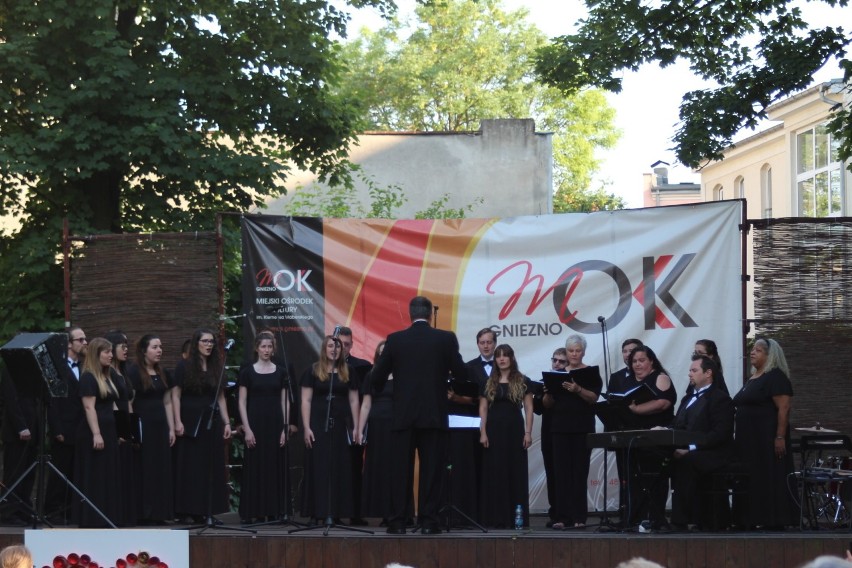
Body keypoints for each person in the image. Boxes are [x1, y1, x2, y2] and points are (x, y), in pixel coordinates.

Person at [369, 296, 469, 535]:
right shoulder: (445, 339)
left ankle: (397, 522)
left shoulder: (395, 340)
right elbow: (461, 373)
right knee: (432, 470)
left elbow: (376, 378)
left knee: (400, 470)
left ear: (410, 314)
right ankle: (429, 522)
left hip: (403, 415)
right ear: (428, 313)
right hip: (434, 414)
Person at [732, 337, 798, 529]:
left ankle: (772, 519)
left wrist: (779, 436)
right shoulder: (753, 378)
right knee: (751, 476)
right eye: (753, 349)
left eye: (759, 350)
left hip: (765, 438)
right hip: (748, 440)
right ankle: (750, 518)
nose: (753, 352)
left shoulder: (776, 377)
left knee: (767, 475)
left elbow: (784, 408)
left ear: (770, 356)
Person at [172, 329, 232, 523]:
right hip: (191, 420)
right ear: (196, 343)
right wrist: (177, 421)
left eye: (211, 342)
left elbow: (221, 397)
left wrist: (226, 422)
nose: (209, 345)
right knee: (191, 466)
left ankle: (208, 510)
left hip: (212, 419)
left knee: (211, 465)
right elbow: (176, 395)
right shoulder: (184, 366)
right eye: (205, 341)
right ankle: (188, 510)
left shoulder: (216, 366)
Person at [668, 355, 734, 529]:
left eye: (694, 370)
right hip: (689, 449)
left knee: (686, 462)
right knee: (654, 457)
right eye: (690, 370)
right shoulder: (687, 399)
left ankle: (680, 521)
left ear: (708, 373)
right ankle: (653, 517)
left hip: (713, 453)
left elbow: (720, 434)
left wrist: (691, 448)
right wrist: (664, 431)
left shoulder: (720, 399)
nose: (690, 374)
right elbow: (677, 424)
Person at [544, 335, 602, 529]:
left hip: (582, 428)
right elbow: (547, 404)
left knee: (579, 472)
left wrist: (577, 389)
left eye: (578, 350)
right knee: (561, 474)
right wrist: (548, 392)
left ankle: (578, 517)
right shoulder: (557, 374)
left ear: (583, 352)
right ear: (566, 353)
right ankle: (562, 517)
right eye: (571, 351)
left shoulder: (591, 373)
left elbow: (593, 398)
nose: (574, 354)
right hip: (559, 428)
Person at [300, 334, 360, 523]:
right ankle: (316, 512)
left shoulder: (348, 371)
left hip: (341, 424)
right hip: (318, 424)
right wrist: (306, 427)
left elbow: (354, 399)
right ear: (324, 349)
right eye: (330, 347)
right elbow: (305, 400)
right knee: (319, 467)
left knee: (339, 468)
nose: (334, 350)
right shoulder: (313, 371)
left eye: (338, 347)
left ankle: (336, 512)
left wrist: (357, 426)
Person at [478, 344, 534, 528]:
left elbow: (528, 408)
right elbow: (483, 408)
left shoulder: (522, 380)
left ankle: (515, 519)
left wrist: (528, 433)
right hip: (493, 432)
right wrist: (483, 432)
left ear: (511, 358)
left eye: (505, 355)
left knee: (514, 473)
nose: (502, 359)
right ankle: (495, 518)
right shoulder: (489, 382)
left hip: (515, 431)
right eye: (498, 356)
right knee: (495, 473)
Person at [357, 340, 413, 525]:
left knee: (397, 469)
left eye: (386, 353)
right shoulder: (371, 375)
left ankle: (399, 512)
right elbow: (365, 404)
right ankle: (383, 513)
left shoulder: (403, 375)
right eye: (380, 353)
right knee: (378, 469)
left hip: (397, 426)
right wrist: (359, 428)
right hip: (376, 427)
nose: (383, 356)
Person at [237, 332, 291, 523]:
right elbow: (242, 402)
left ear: (273, 348)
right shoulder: (247, 372)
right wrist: (247, 428)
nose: (266, 350)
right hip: (255, 422)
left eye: (269, 347)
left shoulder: (281, 371)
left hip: (275, 422)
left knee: (273, 466)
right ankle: (253, 511)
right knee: (255, 466)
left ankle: (274, 511)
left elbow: (285, 402)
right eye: (263, 347)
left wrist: (285, 428)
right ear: (257, 348)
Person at [625, 345, 677, 531]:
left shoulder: (660, 377)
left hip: (656, 438)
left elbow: (663, 402)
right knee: (636, 480)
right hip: (634, 439)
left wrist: (638, 409)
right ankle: (637, 519)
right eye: (634, 361)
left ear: (651, 361)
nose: (637, 364)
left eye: (641, 360)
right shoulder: (629, 381)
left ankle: (656, 518)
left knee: (656, 479)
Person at [127, 334, 175, 524]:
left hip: (161, 426)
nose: (159, 350)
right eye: (155, 347)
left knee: (161, 468)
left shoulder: (163, 373)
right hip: (143, 425)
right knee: (144, 467)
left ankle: (160, 513)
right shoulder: (134, 372)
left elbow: (168, 401)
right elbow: (129, 402)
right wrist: (132, 429)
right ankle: (143, 512)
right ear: (144, 351)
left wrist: (171, 428)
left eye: (160, 347)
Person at [74, 337, 122, 527]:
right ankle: (92, 518)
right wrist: (96, 433)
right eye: (107, 352)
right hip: (94, 432)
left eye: (111, 351)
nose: (111, 355)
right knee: (95, 474)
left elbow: (114, 405)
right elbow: (89, 407)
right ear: (96, 354)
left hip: (109, 430)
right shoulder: (88, 377)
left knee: (108, 473)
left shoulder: (106, 376)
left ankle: (108, 515)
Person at [45, 325, 87, 523]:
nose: (84, 343)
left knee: (74, 471)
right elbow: (52, 401)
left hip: (80, 428)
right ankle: (52, 511)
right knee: (59, 472)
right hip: (64, 427)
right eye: (80, 340)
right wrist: (57, 429)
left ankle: (71, 512)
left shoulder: (85, 366)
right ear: (69, 344)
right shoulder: (58, 366)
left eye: (85, 339)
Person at [338, 326, 372, 526]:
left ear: (352, 344)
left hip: (354, 423)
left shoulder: (363, 366)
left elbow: (364, 398)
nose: (343, 348)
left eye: (347, 344)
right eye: (339, 344)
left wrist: (359, 426)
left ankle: (355, 513)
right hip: (333, 421)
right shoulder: (322, 368)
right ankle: (331, 512)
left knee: (354, 467)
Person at [104, 330, 139, 527]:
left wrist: (133, 430)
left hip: (126, 422)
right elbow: (112, 403)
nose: (126, 351)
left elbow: (129, 402)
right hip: (115, 425)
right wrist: (120, 431)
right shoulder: (107, 372)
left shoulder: (124, 372)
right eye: (122, 347)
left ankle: (127, 514)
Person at [531, 346, 567, 527]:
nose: (557, 364)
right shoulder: (543, 382)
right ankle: (555, 513)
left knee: (566, 474)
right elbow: (539, 408)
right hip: (549, 434)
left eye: (562, 361)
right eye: (555, 360)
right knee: (552, 473)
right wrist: (547, 391)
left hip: (567, 434)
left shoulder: (572, 382)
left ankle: (568, 514)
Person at [0, 364, 37, 525]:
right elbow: (11, 399)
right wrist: (20, 426)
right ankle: (9, 512)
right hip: (17, 433)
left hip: (34, 429)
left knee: (29, 474)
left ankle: (23, 509)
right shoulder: (10, 367)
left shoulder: (34, 368)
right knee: (14, 473)